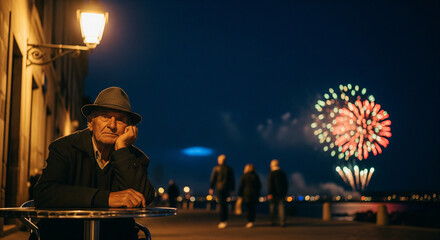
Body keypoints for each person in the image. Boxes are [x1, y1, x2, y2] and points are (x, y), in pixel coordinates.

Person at [33, 87, 155, 240]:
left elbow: (144, 198)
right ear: (90, 123)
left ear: (129, 128)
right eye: (105, 116)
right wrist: (106, 198)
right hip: (66, 234)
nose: (112, 125)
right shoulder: (65, 148)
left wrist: (122, 150)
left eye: (120, 119)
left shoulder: (135, 158)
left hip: (114, 236)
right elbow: (44, 193)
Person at [209, 154, 235, 229]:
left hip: (219, 188)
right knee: (225, 204)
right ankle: (225, 220)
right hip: (227, 188)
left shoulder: (216, 168)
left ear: (219, 160)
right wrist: (232, 189)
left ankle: (222, 220)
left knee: (221, 204)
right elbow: (232, 180)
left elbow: (213, 178)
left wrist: (211, 188)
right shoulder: (229, 169)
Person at [238, 164, 261, 228]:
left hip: (246, 194)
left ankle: (249, 221)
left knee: (248, 208)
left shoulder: (244, 176)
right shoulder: (256, 176)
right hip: (254, 194)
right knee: (252, 208)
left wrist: (240, 194)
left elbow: (241, 186)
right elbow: (259, 186)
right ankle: (252, 221)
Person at [267, 159, 288, 227]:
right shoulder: (282, 173)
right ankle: (282, 221)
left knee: (272, 207)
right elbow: (286, 183)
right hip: (281, 193)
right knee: (281, 207)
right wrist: (285, 192)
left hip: (273, 193)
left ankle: (272, 221)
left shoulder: (271, 173)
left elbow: (270, 184)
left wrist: (270, 193)